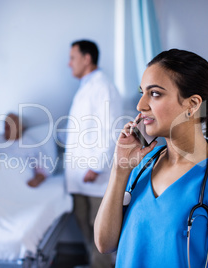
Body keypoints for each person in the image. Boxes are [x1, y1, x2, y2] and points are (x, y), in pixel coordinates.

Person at [94, 49, 208, 267]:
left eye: (154, 93)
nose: (140, 106)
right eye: (142, 93)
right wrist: (120, 168)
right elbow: (104, 243)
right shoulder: (142, 164)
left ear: (192, 104)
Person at [65, 40, 123, 268]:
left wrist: (97, 166)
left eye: (72, 58)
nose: (69, 63)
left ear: (87, 58)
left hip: (95, 175)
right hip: (80, 176)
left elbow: (111, 130)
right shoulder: (86, 86)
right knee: (86, 229)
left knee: (101, 235)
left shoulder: (103, 87)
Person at [0, 113, 48, 187]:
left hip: (14, 179)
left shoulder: (29, 144)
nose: (7, 124)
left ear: (21, 127)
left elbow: (42, 170)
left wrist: (36, 180)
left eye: (12, 121)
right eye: (6, 122)